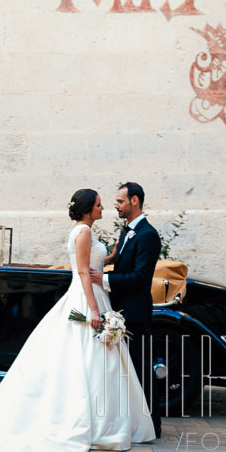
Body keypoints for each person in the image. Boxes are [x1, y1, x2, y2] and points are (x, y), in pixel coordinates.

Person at [0, 189, 155, 452]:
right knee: (87, 357)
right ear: (88, 209)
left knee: (89, 358)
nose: (103, 208)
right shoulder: (84, 232)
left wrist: (110, 258)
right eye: (98, 205)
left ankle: (102, 421)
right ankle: (98, 423)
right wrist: (95, 310)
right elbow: (84, 271)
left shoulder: (83, 230)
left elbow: (88, 262)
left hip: (89, 293)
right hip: (87, 297)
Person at [90, 182, 162, 438]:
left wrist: (103, 279)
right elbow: (124, 269)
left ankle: (153, 422)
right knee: (128, 370)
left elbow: (140, 278)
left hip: (136, 313)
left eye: (119, 201)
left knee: (142, 368)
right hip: (121, 311)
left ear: (134, 201)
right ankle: (132, 420)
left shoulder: (147, 235)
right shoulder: (127, 232)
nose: (115, 206)